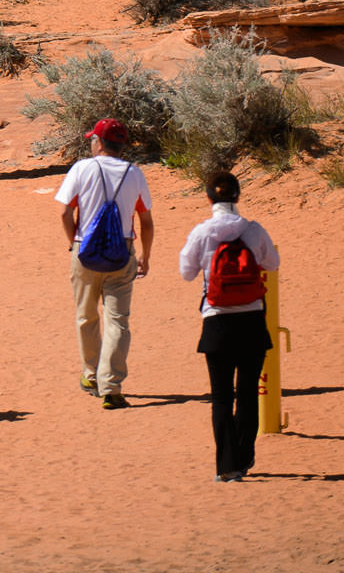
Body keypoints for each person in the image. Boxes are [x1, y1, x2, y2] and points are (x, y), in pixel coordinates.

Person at [178, 172, 282, 482]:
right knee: (248, 392)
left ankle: (226, 465)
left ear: (209, 198)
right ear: (238, 197)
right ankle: (245, 454)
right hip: (251, 319)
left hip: (217, 321)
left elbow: (186, 271)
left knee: (221, 396)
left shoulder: (202, 232)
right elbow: (273, 263)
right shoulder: (253, 230)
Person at [55, 118, 154, 410]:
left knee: (86, 316)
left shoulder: (83, 168)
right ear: (121, 144)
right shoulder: (134, 174)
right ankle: (111, 387)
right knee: (118, 321)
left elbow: (64, 211)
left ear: (98, 142)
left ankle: (91, 375)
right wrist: (145, 256)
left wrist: (73, 242)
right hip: (122, 253)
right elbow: (146, 220)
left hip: (84, 250)